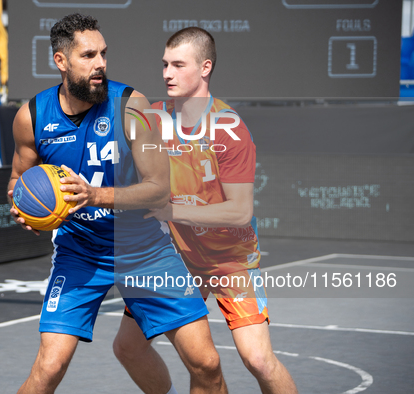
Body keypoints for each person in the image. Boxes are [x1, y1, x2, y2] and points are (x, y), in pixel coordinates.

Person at [8, 14, 228, 394]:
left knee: (206, 364)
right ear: (61, 62)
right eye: (89, 55)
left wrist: (95, 196)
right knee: (49, 365)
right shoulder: (32, 117)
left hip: (143, 248)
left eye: (104, 54)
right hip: (80, 252)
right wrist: (22, 206)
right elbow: (17, 180)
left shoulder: (130, 105)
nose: (100, 64)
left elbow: (160, 189)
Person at [113, 27, 298, 394]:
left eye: (178, 65)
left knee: (258, 359)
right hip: (176, 260)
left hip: (230, 261)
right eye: (165, 64)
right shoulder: (154, 119)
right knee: (128, 348)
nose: (167, 73)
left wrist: (171, 211)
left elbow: (239, 212)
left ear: (205, 68)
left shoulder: (229, 130)